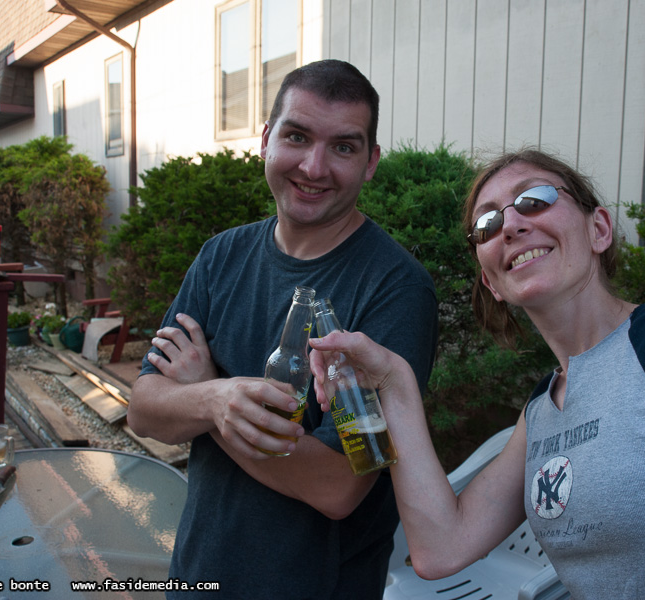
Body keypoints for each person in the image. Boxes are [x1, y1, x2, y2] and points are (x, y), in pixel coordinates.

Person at [308, 149, 645, 598]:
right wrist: (396, 384)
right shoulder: (542, 413)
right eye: (487, 223)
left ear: (599, 229)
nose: (512, 223)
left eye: (535, 199)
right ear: (492, 281)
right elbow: (437, 549)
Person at [127, 59, 438, 598]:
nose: (314, 167)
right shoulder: (221, 255)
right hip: (198, 571)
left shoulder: (397, 289)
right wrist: (212, 396)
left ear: (371, 163)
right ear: (267, 139)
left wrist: (209, 403)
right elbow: (145, 411)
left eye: (343, 146)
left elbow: (338, 484)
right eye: (297, 136)